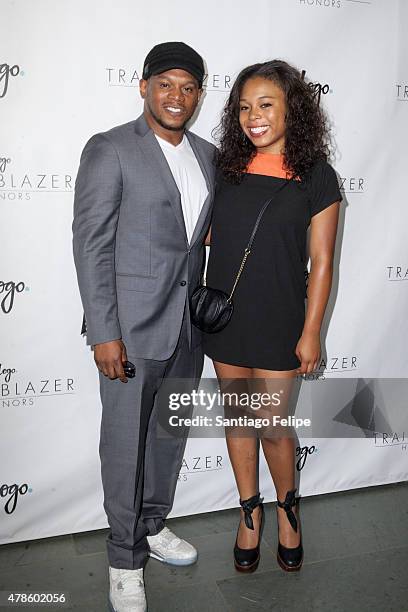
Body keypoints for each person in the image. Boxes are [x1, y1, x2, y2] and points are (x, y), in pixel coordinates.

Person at [72, 41, 215, 612]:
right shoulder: (111, 149)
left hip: (187, 332)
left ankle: (153, 526)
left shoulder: (207, 155)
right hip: (129, 332)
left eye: (188, 86)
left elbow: (196, 240)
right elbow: (92, 245)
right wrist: (105, 332)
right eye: (165, 84)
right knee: (125, 448)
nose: (176, 96)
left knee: (167, 438)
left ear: (199, 94)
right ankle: (123, 561)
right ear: (144, 87)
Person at [203, 59, 342, 573]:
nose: (252, 117)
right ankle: (249, 514)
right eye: (243, 107)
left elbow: (323, 261)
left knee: (274, 425)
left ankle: (288, 510)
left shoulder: (317, 175)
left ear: (293, 110)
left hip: (281, 317)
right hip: (226, 317)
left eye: (265, 105)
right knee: (238, 420)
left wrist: (312, 332)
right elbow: (210, 232)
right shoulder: (226, 168)